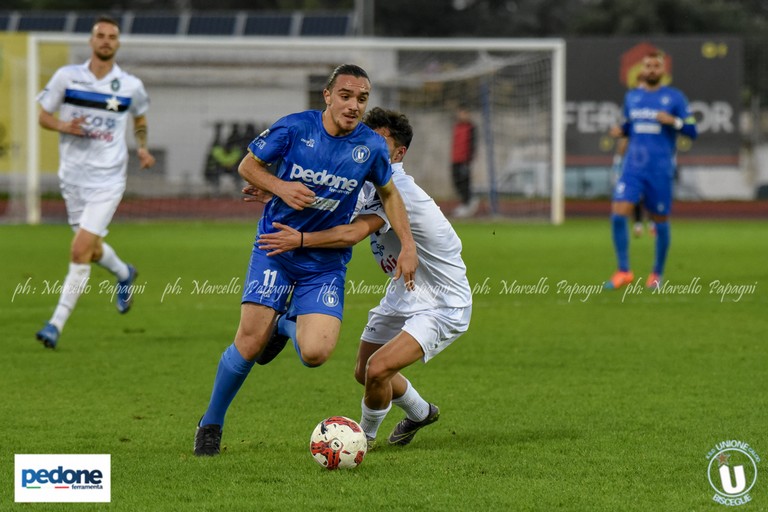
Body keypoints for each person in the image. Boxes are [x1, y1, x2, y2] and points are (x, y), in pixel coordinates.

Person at [194, 65, 418, 456]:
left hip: (325, 261)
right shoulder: (295, 128)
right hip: (276, 247)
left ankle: (281, 325)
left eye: (362, 99)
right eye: (346, 96)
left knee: (316, 354)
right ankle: (210, 424)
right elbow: (248, 165)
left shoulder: (371, 147)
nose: (353, 105)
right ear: (327, 96)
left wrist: (409, 245)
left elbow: (390, 194)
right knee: (248, 342)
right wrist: (280, 187)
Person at [257, 107, 472, 448]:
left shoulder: (397, 189)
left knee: (377, 369)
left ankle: (362, 441)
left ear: (399, 153)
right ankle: (421, 413)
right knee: (364, 372)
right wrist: (278, 192)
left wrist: (301, 240)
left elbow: (350, 233)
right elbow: (330, 202)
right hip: (405, 290)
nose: (367, 141)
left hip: (443, 301)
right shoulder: (366, 179)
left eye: (379, 139)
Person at [34, 15, 155, 349]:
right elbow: (43, 114)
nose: (105, 40)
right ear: (91, 41)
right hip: (72, 178)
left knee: (79, 249)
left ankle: (55, 324)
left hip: (108, 178)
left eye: (111, 36)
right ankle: (124, 273)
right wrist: (64, 126)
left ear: (117, 43)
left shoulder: (130, 85)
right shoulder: (67, 77)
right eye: (100, 35)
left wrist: (142, 147)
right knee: (91, 248)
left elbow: (140, 117)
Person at [605, 51, 697, 290]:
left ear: (663, 70)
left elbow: (692, 130)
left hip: (660, 169)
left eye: (657, 66)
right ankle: (624, 270)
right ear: (642, 70)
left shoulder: (675, 98)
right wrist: (620, 131)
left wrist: (674, 122)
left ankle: (657, 273)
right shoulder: (632, 97)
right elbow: (629, 126)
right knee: (618, 213)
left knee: (661, 220)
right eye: (648, 66)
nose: (652, 70)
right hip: (633, 167)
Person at [450, 106, 478, 218]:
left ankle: (468, 203)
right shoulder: (456, 126)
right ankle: (464, 203)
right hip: (455, 159)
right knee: (456, 182)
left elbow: (473, 145)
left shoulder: (471, 128)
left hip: (464, 160)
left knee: (464, 183)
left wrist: (468, 160)